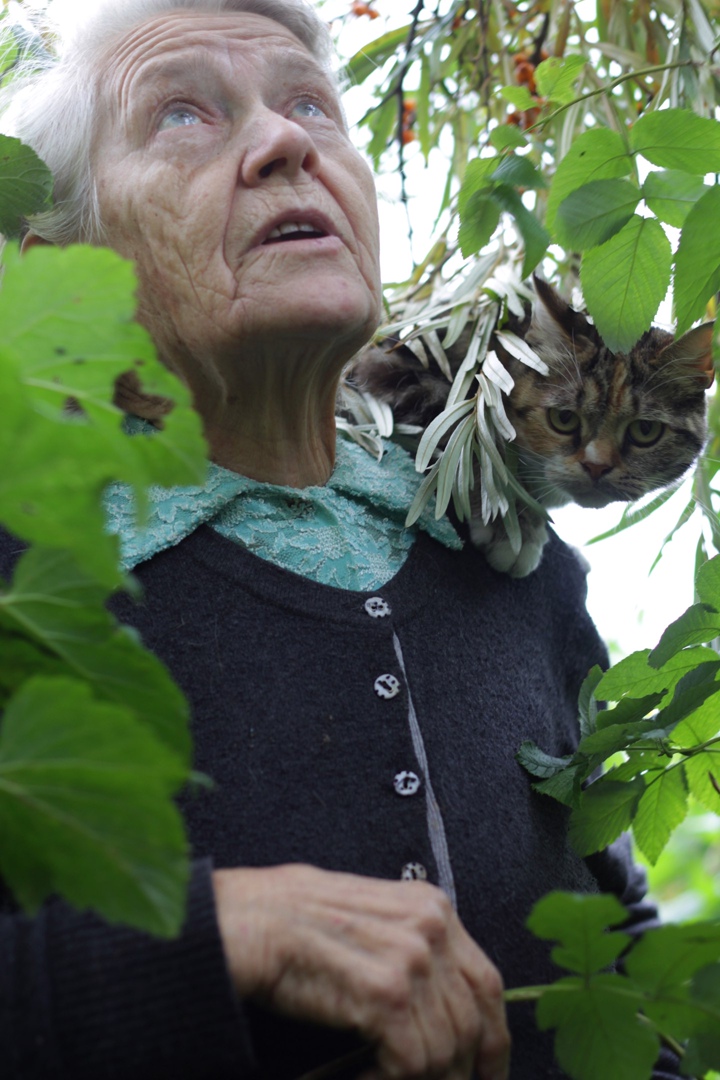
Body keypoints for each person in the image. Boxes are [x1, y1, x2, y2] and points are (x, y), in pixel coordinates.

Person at [0, 2, 678, 1078]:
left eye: (310, 102)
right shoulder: (22, 589)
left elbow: (627, 953)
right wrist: (207, 940)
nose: (286, 142)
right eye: (182, 115)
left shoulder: (516, 565)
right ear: (55, 279)